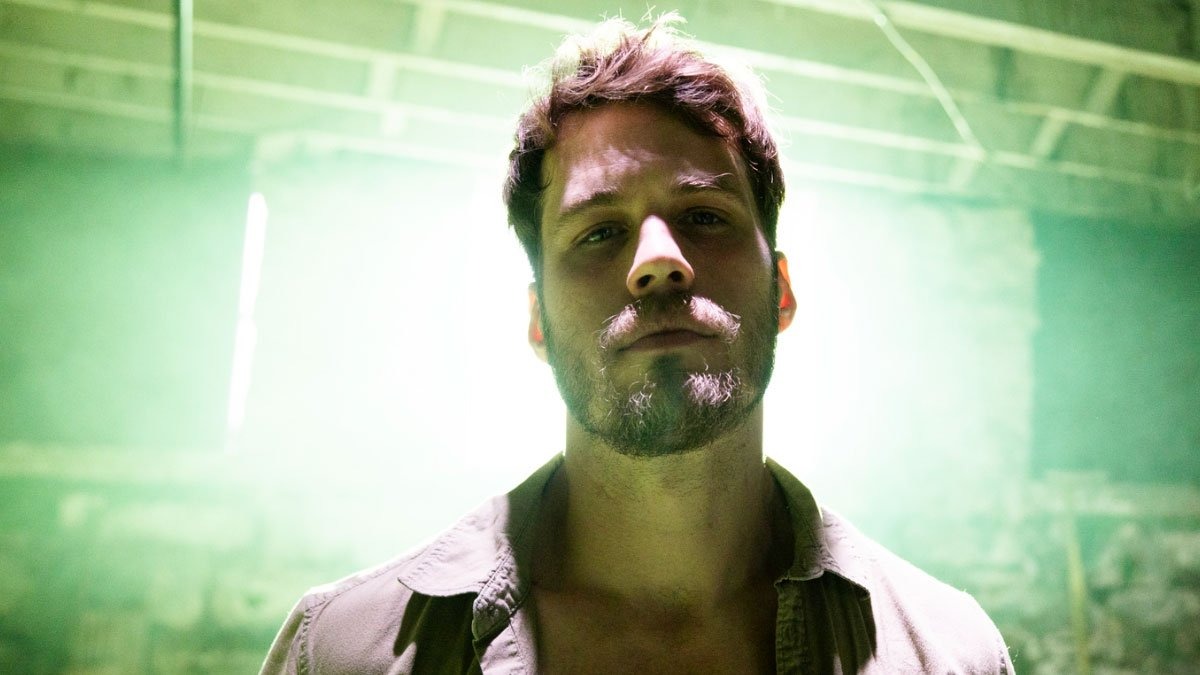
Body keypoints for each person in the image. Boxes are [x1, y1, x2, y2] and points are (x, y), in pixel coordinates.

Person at [261, 15, 1013, 674]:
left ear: (780, 291)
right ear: (537, 321)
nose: (659, 261)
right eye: (599, 233)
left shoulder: (950, 653)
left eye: (705, 217)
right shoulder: (341, 652)